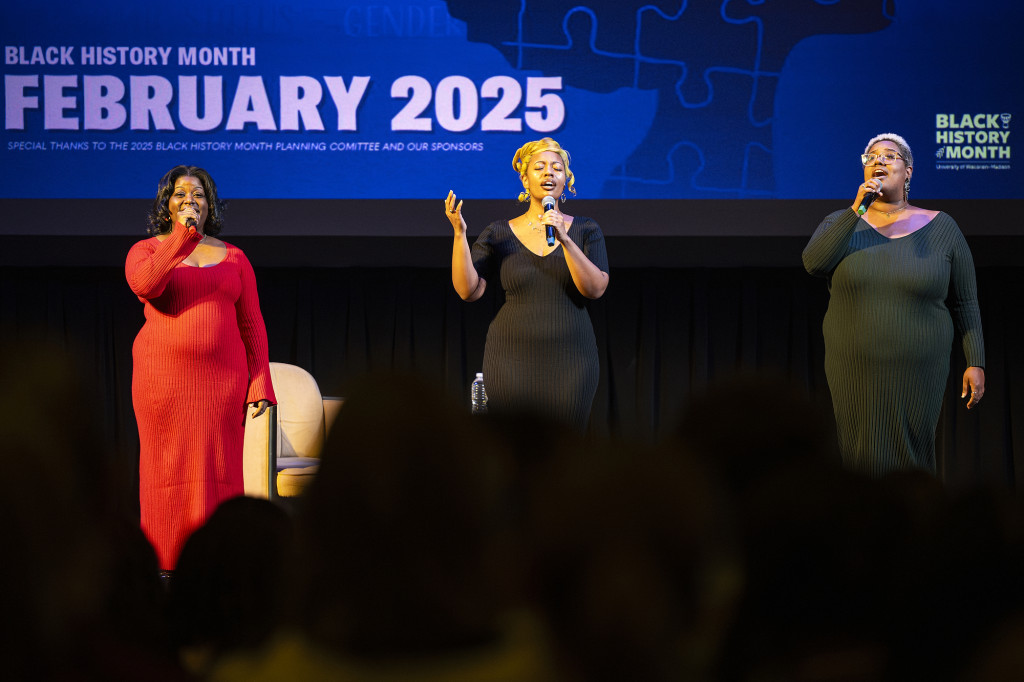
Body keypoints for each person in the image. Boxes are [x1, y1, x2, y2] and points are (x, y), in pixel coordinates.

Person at [802, 133, 985, 476]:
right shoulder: (842, 223)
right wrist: (857, 208)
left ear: (909, 171)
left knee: (913, 457)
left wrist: (976, 360)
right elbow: (814, 263)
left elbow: (966, 301)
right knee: (858, 457)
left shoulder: (942, 227)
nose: (880, 161)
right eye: (872, 156)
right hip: (854, 366)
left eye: (890, 155)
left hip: (920, 367)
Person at [126, 165, 276, 572]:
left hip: (222, 384)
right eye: (179, 194)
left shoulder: (235, 257)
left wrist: (261, 382)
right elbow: (146, 286)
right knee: (166, 471)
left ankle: (221, 560)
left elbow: (252, 323)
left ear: (210, 205)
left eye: (198, 194)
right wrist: (181, 238)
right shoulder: (147, 251)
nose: (189, 200)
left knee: (219, 469)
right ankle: (165, 566)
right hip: (162, 385)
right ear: (166, 204)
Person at [446, 138, 609, 431]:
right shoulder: (498, 232)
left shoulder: (586, 229)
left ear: (566, 179)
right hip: (510, 358)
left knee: (566, 451)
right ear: (525, 178)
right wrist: (460, 234)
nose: (549, 173)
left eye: (557, 168)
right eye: (540, 167)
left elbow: (594, 289)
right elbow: (468, 290)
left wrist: (565, 239)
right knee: (513, 450)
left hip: (572, 360)